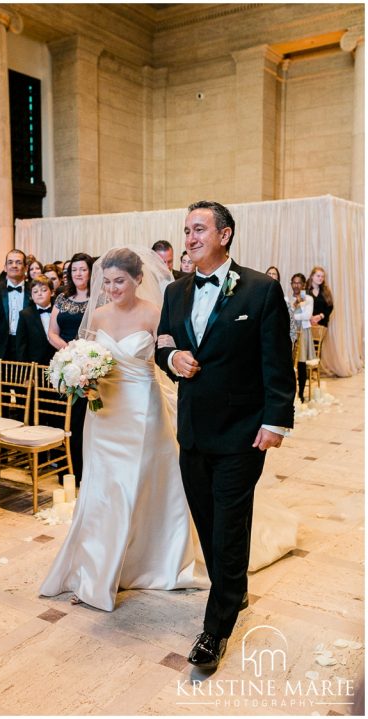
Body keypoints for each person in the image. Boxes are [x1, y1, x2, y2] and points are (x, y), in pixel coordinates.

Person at [155, 200, 295, 671]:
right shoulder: (175, 291)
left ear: (225, 234)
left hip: (241, 432)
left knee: (230, 527)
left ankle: (214, 631)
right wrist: (172, 360)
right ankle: (232, 591)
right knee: (209, 521)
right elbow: (164, 341)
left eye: (199, 229)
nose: (191, 238)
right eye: (187, 230)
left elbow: (277, 359)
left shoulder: (260, 290)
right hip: (192, 430)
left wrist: (275, 420)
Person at [40, 248, 207, 611]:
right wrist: (79, 379)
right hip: (104, 412)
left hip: (143, 410)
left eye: (121, 281)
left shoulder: (154, 314)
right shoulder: (97, 315)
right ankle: (95, 568)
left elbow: (166, 357)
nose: (113, 288)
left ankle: (148, 562)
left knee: (139, 484)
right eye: (109, 281)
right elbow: (86, 357)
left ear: (138, 280)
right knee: (103, 489)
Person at [47, 253, 93, 481]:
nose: (78, 274)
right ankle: (68, 469)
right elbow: (51, 332)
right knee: (66, 417)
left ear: (91, 272)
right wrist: (68, 351)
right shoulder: (62, 298)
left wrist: (83, 354)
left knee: (84, 419)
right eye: (74, 270)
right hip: (66, 365)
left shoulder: (99, 299)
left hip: (90, 366)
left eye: (83, 269)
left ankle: (86, 470)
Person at [0, 249, 31, 360]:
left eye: (18, 262)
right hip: (1, 349)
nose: (14, 265)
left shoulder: (33, 291)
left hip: (27, 348)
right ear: (5, 267)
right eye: (10, 262)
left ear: (26, 268)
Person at [16, 275, 55, 365]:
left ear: (52, 292)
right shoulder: (25, 314)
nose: (39, 294)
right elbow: (21, 345)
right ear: (32, 296)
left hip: (57, 362)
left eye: (44, 290)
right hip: (35, 364)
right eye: (35, 292)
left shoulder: (59, 312)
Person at [289, 272, 315, 402]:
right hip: (291, 332)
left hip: (303, 332)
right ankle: (291, 393)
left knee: (301, 363)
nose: (296, 285)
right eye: (294, 282)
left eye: (299, 282)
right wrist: (294, 308)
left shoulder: (308, 299)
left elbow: (307, 316)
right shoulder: (288, 299)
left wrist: (293, 315)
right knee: (290, 363)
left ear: (303, 284)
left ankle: (301, 394)